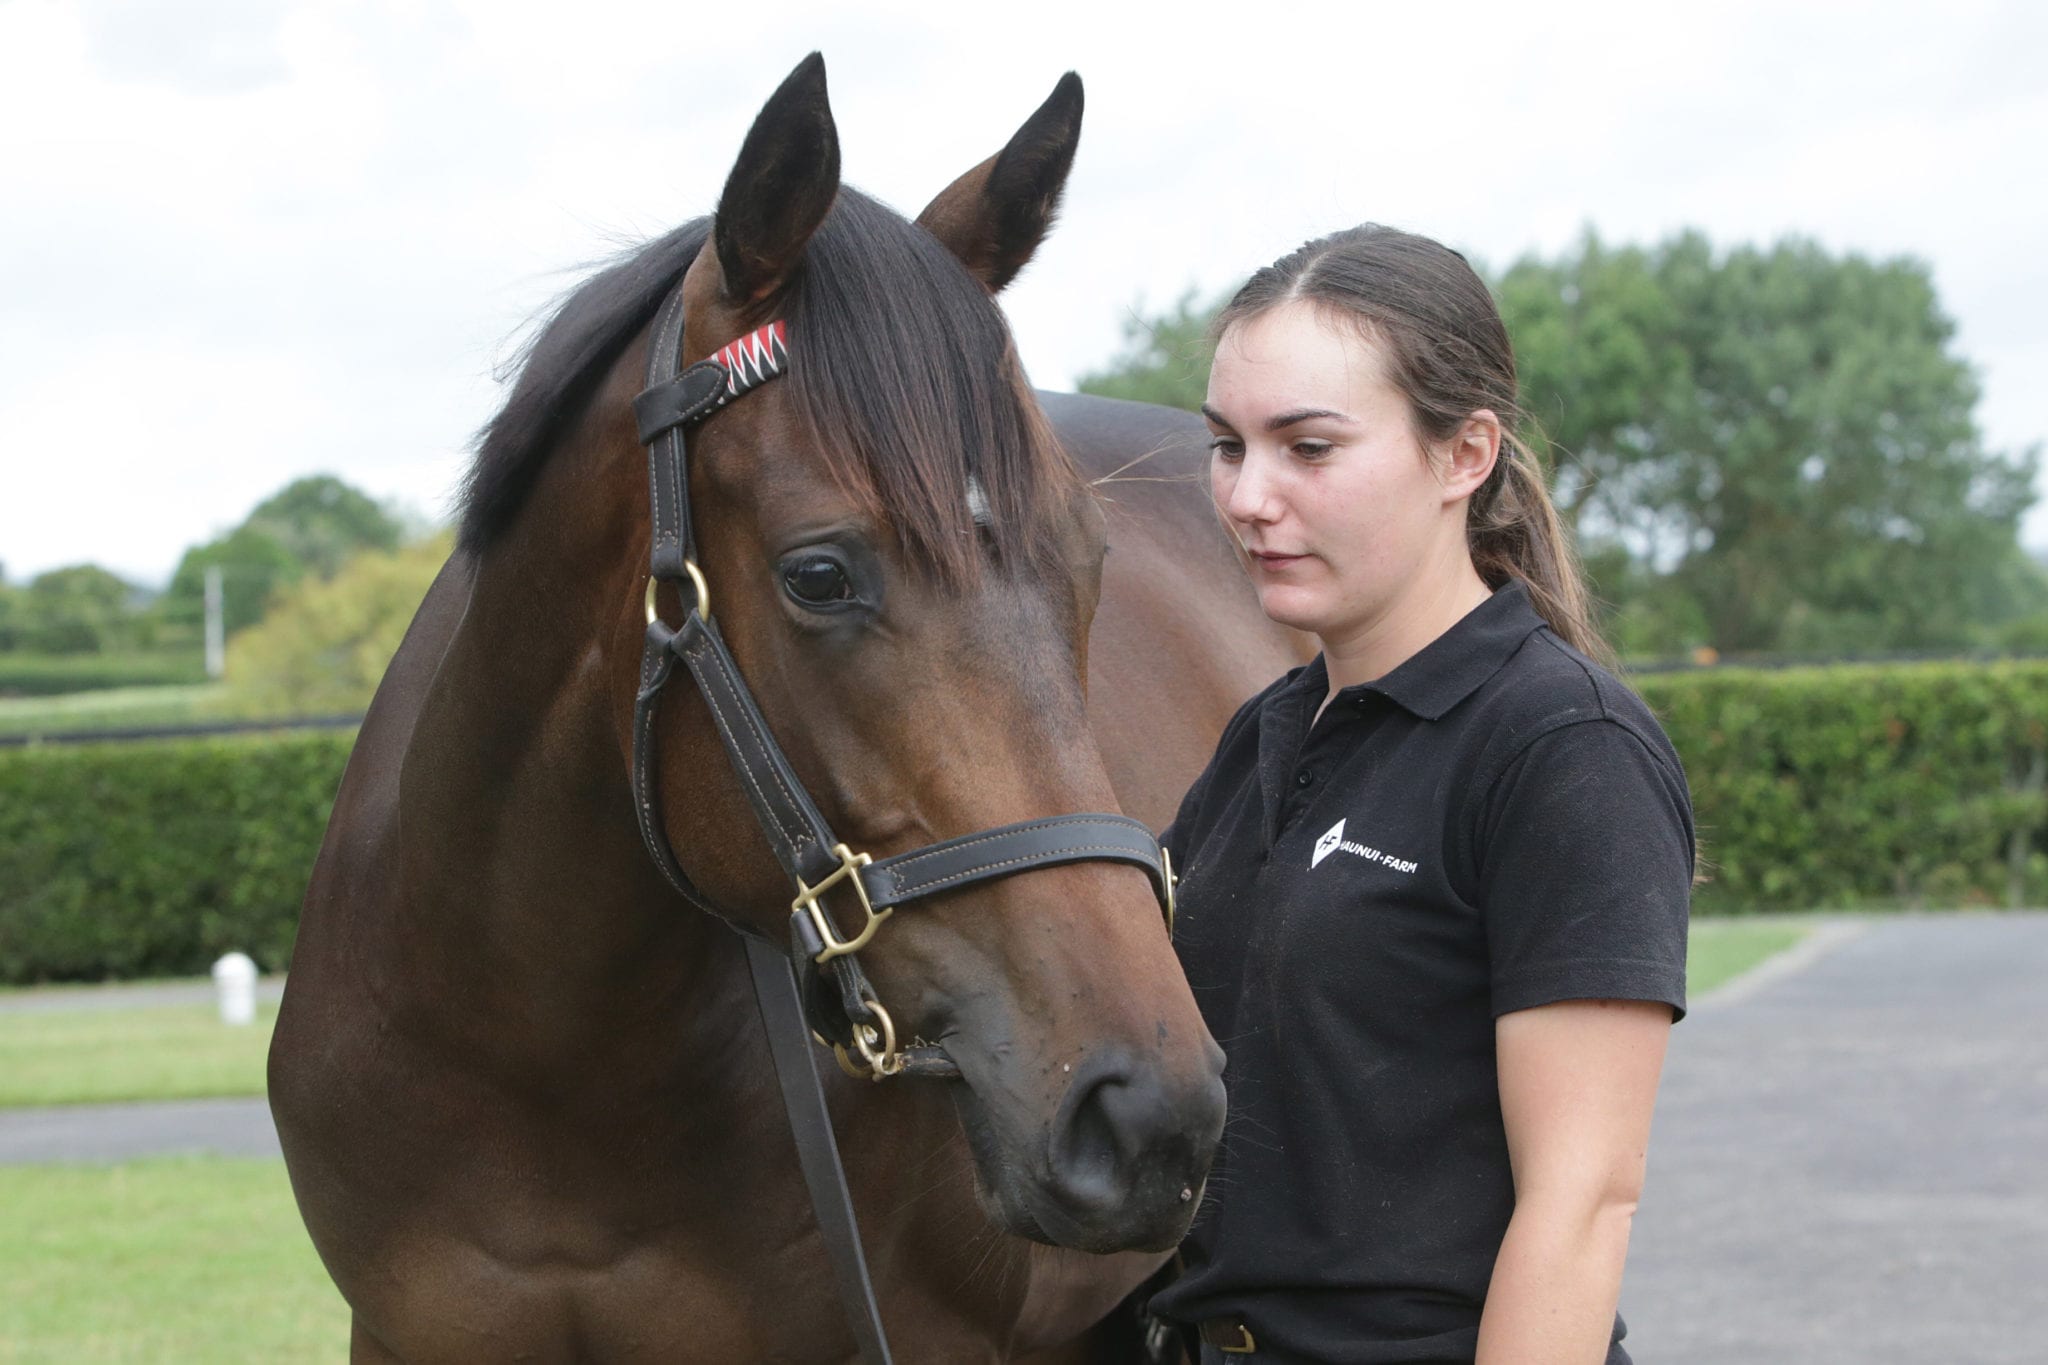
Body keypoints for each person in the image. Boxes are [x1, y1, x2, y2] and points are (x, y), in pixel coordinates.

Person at [1149, 225, 1694, 1365]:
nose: (1247, 497)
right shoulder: (1269, 730)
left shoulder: (1561, 748)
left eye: (1305, 447)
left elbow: (1582, 1202)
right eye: (1225, 446)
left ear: (1464, 455)